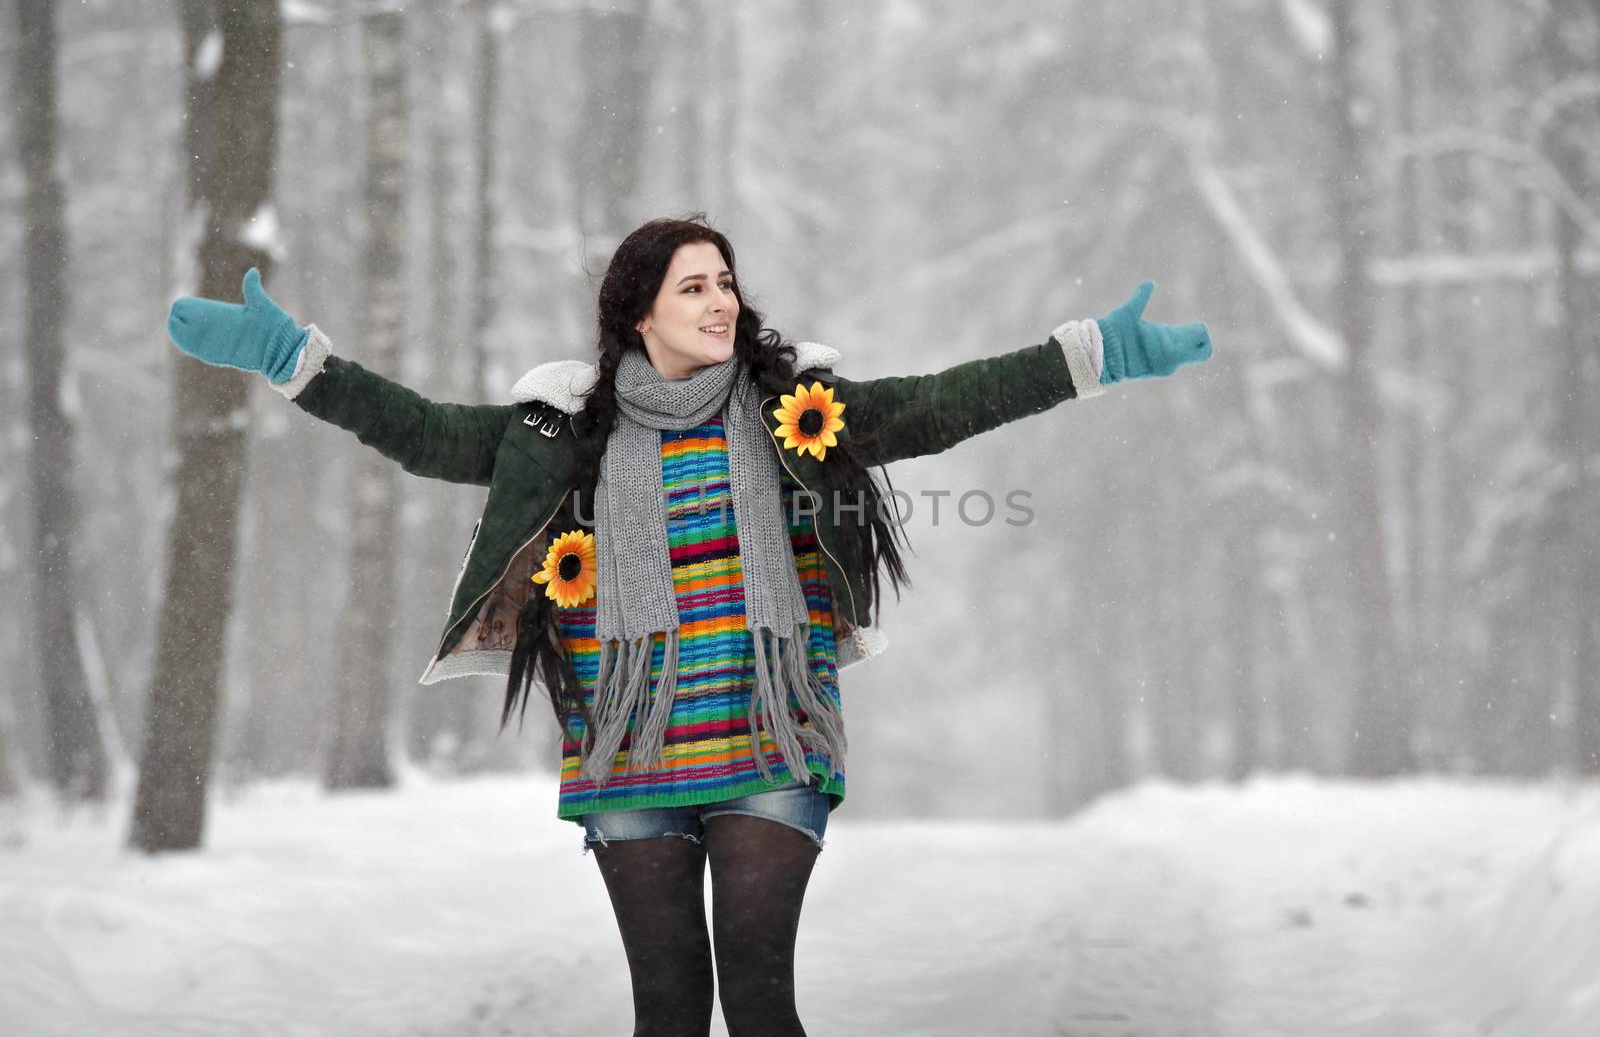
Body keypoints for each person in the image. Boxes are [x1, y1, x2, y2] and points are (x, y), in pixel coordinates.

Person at [165, 214, 1211, 1036]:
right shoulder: (563, 432)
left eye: (726, 281)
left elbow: (942, 402)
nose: (722, 301)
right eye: (694, 285)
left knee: (759, 1006)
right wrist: (292, 358)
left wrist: (1089, 355)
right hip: (627, 749)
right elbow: (426, 432)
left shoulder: (797, 409)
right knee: (665, 1015)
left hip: (770, 735)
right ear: (638, 314)